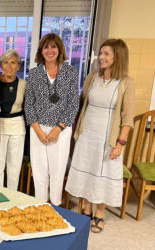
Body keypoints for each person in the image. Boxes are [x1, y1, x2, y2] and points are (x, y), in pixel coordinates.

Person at [65, 39, 134, 233]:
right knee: (87, 172)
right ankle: (87, 210)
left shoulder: (126, 82)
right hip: (87, 134)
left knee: (103, 175)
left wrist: (120, 144)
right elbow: (81, 102)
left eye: (106, 54)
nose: (101, 57)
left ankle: (99, 213)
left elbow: (127, 118)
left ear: (117, 57)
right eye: (101, 53)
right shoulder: (92, 77)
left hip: (108, 138)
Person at [25, 33, 79, 206]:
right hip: (38, 129)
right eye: (46, 47)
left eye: (53, 46)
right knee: (40, 171)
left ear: (59, 49)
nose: (50, 50)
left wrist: (58, 129)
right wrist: (39, 131)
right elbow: (29, 105)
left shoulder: (70, 72)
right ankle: (41, 206)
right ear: (41, 50)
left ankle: (56, 206)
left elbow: (73, 104)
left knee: (57, 171)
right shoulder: (34, 74)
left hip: (61, 130)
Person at [0, 49, 26, 190]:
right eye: (6, 62)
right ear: (1, 65)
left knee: (14, 166)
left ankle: (12, 196)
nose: (9, 66)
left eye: (13, 63)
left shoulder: (24, 84)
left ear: (18, 66)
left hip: (17, 127)